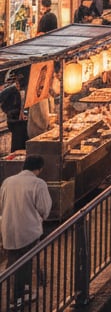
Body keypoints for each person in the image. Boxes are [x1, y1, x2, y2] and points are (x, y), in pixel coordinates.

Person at [0, 154, 51, 298]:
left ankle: (20, 292)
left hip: (8, 228)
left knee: (13, 260)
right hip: (28, 230)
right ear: (40, 169)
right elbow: (44, 209)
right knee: (25, 263)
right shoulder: (38, 183)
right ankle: (18, 297)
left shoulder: (8, 181)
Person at [0, 75, 26, 151]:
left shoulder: (21, 91)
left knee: (20, 144)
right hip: (14, 122)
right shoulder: (10, 90)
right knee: (16, 145)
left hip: (20, 121)